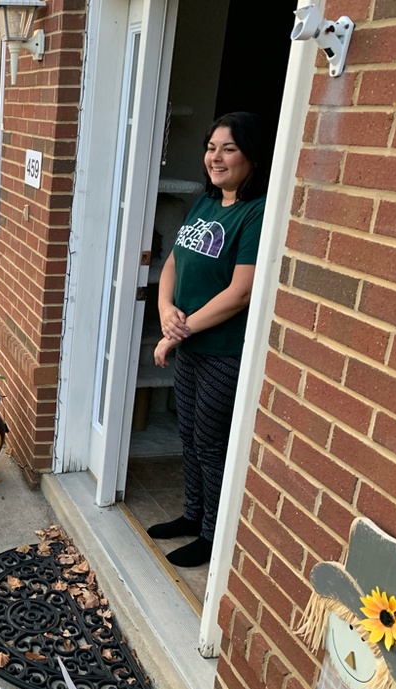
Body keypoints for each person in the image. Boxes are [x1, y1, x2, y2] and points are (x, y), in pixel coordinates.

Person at [147, 112, 272, 568]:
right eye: (211, 147)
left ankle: (212, 534)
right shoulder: (205, 203)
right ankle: (192, 514)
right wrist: (165, 312)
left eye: (229, 149)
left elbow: (240, 293)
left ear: (252, 157)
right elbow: (174, 264)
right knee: (190, 434)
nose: (215, 158)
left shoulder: (256, 214)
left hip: (223, 351)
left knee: (211, 442)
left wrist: (177, 333)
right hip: (192, 344)